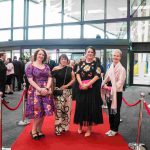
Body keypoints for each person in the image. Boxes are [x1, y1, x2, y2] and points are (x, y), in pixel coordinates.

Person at [74, 46, 103, 137]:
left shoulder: (96, 64)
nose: (90, 53)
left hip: (92, 90)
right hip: (81, 88)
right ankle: (80, 126)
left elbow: (97, 75)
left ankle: (89, 129)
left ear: (94, 54)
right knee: (80, 106)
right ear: (85, 53)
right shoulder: (81, 63)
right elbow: (77, 74)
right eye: (88, 52)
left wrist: (88, 84)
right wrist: (81, 84)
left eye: (91, 52)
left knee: (90, 108)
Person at [25, 48, 54, 140]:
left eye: (43, 55)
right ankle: (33, 130)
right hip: (35, 91)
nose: (41, 56)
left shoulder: (46, 66)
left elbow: (50, 77)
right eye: (39, 54)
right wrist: (39, 89)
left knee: (44, 111)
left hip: (45, 90)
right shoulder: (30, 66)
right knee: (38, 111)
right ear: (36, 55)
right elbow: (30, 80)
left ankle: (39, 130)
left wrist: (46, 88)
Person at [101, 49, 126, 136]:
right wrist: (103, 84)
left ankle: (115, 129)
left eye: (117, 56)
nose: (115, 57)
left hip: (116, 92)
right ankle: (111, 128)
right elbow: (107, 77)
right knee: (110, 111)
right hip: (109, 92)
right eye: (114, 55)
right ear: (112, 56)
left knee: (115, 111)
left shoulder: (122, 69)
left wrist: (110, 87)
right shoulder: (111, 66)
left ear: (120, 57)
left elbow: (120, 83)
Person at [52, 54, 75, 136]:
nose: (64, 60)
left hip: (68, 92)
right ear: (59, 60)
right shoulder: (55, 69)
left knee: (67, 110)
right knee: (59, 110)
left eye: (65, 59)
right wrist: (52, 92)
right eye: (62, 59)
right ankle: (58, 128)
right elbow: (52, 81)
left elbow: (73, 79)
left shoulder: (69, 69)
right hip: (59, 92)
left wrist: (66, 85)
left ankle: (64, 127)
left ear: (67, 60)